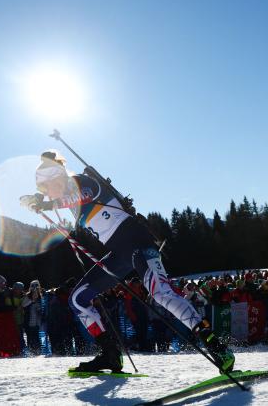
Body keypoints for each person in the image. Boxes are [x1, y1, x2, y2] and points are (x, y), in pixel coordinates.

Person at [20, 150, 234, 373]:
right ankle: (110, 355)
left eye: (46, 187)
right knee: (78, 299)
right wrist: (38, 200)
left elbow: (77, 195)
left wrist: (44, 204)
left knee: (161, 293)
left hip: (138, 243)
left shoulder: (83, 183)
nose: (47, 192)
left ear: (58, 177)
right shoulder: (66, 199)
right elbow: (64, 201)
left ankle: (217, 346)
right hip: (119, 254)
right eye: (43, 189)